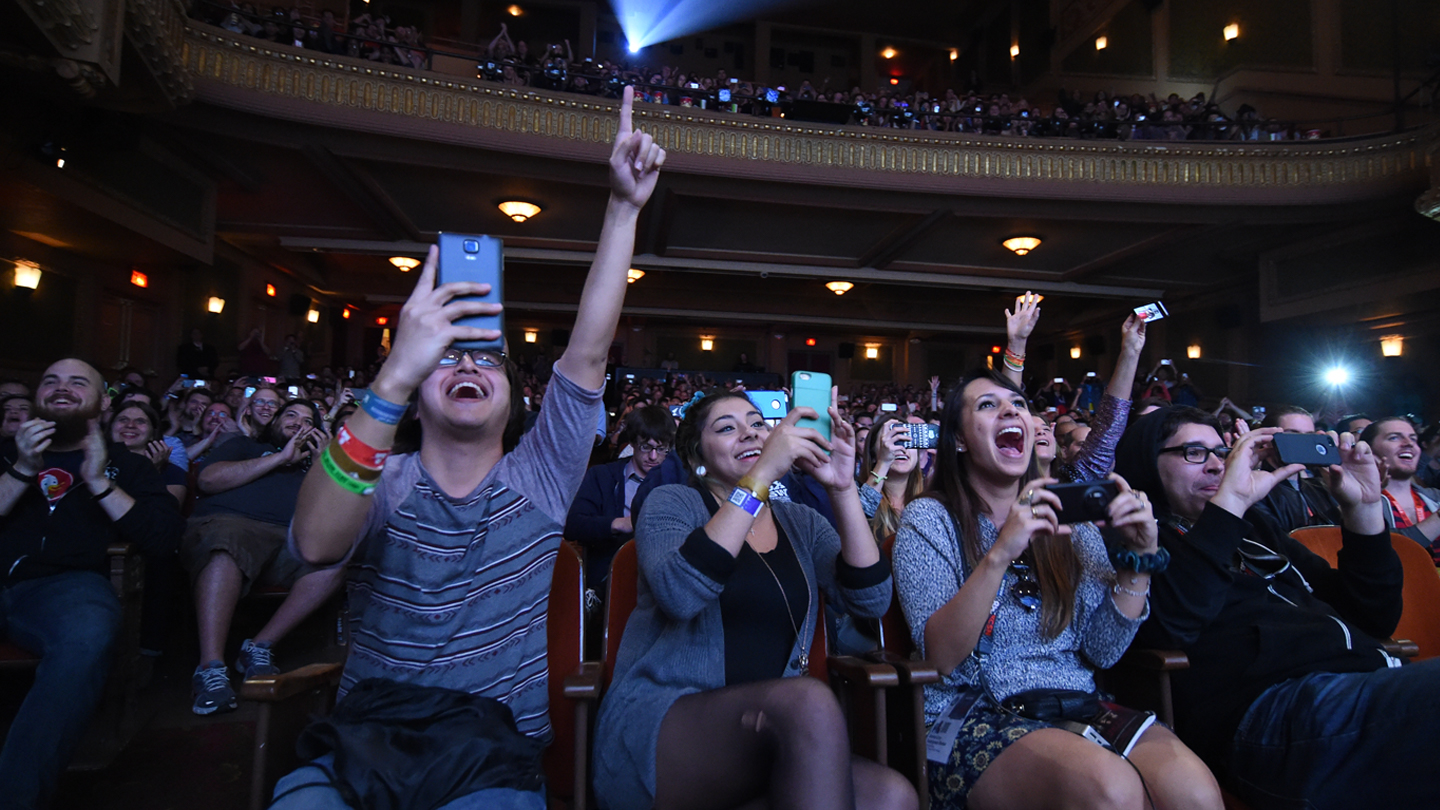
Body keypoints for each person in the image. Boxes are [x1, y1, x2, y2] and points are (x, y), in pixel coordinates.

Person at [279, 87, 664, 808]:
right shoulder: (381, 480)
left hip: (491, 748)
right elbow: (315, 544)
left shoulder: (541, 477)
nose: (466, 366)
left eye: (487, 361)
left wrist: (622, 210)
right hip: (364, 737)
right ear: (418, 388)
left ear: (516, 400)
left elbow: (587, 351)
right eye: (448, 358)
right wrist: (396, 368)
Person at [892, 370, 1219, 810]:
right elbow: (943, 658)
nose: (1011, 410)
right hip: (969, 714)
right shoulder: (928, 518)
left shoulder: (1068, 517)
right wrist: (1000, 553)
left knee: (1194, 791)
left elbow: (1103, 651)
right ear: (958, 440)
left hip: (1075, 704)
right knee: (1111, 790)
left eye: (1019, 405)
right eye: (988, 405)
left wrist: (1139, 558)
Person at [592, 389, 914, 810]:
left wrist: (842, 489)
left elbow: (870, 600)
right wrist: (759, 479)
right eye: (727, 428)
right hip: (664, 725)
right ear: (697, 456)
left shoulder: (801, 522)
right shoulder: (672, 503)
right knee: (807, 700)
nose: (749, 434)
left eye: (758, 425)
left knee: (892, 796)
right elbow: (681, 594)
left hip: (772, 734)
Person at [1114, 406, 1440, 808]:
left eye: (1223, 452)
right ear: (1148, 463)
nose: (1217, 466)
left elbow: (1374, 616)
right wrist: (1229, 504)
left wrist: (1364, 509)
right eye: (1195, 453)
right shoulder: (1134, 539)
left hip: (1358, 686)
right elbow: (1172, 625)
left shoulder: (1257, 530)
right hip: (1270, 719)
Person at [0, 358, 184, 809]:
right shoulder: (3, 452)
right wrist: (23, 467)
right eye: (51, 380)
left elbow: (164, 540)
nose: (62, 388)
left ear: (104, 403)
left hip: (61, 588)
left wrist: (99, 481)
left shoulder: (128, 466)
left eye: (77, 382)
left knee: (88, 631)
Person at [183, 399, 343, 715]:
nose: (298, 422)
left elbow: (339, 514)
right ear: (273, 423)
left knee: (337, 558)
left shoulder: (318, 463)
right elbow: (209, 480)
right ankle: (210, 668)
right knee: (226, 541)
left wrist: (326, 463)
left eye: (307, 419)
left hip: (291, 539)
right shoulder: (245, 445)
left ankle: (258, 647)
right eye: (290, 415)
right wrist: (280, 458)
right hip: (232, 524)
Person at [565, 404, 675, 606]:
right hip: (613, 574)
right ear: (632, 443)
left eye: (661, 449)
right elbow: (572, 524)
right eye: (646, 447)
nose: (653, 457)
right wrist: (619, 524)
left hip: (661, 579)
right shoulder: (602, 476)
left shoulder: (675, 482)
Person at [1360, 416, 1439, 559]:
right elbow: (1387, 551)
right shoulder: (1360, 504)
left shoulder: (1435, 497)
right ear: (1368, 450)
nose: (1408, 443)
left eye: (1413, 439)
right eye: (1394, 438)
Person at [859, 416, 925, 541]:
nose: (901, 448)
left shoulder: (930, 495)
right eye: (892, 442)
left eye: (907, 440)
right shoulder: (855, 492)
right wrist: (884, 462)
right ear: (873, 454)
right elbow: (855, 523)